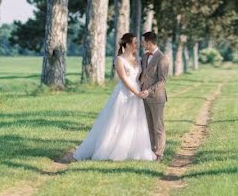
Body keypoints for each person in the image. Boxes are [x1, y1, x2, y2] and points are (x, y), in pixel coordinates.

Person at [72, 33, 155, 161]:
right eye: (134, 43)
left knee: (136, 122)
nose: (136, 45)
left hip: (137, 93)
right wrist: (136, 92)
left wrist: (143, 90)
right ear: (127, 44)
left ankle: (134, 151)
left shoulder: (137, 58)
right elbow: (125, 80)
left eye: (137, 43)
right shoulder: (119, 60)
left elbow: (140, 76)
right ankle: (111, 149)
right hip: (125, 93)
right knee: (117, 121)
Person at [138, 31, 170, 160]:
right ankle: (152, 151)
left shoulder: (162, 58)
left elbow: (162, 81)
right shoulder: (144, 57)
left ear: (149, 43)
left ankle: (159, 154)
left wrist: (149, 91)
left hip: (156, 98)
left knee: (158, 126)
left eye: (143, 42)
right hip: (144, 97)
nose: (141, 44)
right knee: (149, 126)